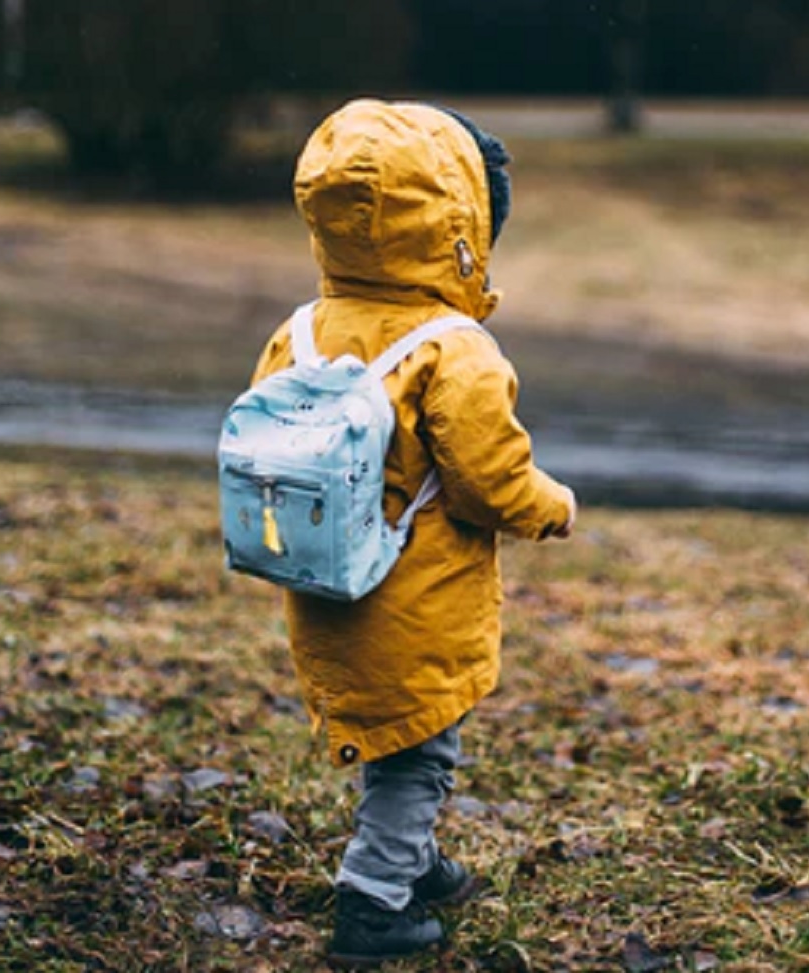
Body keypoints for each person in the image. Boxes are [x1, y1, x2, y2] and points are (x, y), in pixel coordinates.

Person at [251, 99, 577, 967]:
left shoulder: (302, 332)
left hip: (326, 587)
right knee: (421, 752)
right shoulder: (453, 348)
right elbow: (488, 479)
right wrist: (552, 505)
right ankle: (374, 899)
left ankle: (414, 857)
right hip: (416, 597)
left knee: (398, 736)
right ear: (459, 228)